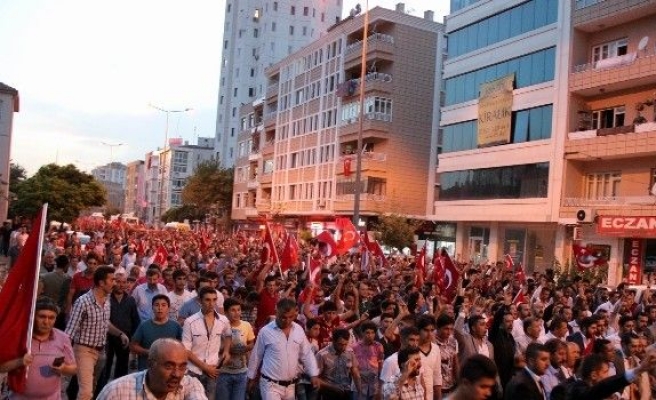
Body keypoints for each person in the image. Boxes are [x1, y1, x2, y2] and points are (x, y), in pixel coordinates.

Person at [65, 266, 129, 400]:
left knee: (92, 388)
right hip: (84, 351)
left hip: (101, 352)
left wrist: (120, 334)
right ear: (101, 283)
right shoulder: (83, 302)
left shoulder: (107, 300)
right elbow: (70, 331)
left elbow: (106, 323)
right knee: (86, 392)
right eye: (112, 280)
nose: (115, 283)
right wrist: (63, 354)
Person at [0, 299, 77, 400]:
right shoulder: (21, 337)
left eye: (51, 318)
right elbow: (2, 367)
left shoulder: (63, 338)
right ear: (33, 316)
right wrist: (20, 361)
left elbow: (74, 369)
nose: (46, 322)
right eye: (42, 316)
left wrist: (63, 368)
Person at [247, 298, 320, 400]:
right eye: (283, 317)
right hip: (270, 385)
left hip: (290, 386)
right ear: (276, 312)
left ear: (295, 313)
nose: (287, 320)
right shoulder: (265, 331)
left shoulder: (299, 330)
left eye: (291, 317)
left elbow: (306, 354)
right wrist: (251, 378)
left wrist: (313, 373)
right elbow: (256, 355)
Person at [96, 338, 207, 399]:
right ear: (150, 364)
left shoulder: (190, 385)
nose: (177, 374)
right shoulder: (116, 392)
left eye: (182, 367)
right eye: (169, 366)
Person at [182, 286, 232, 400]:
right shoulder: (190, 322)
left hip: (213, 369)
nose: (211, 303)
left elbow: (228, 335)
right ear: (200, 301)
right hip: (193, 371)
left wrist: (226, 351)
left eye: (214, 300)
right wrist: (205, 367)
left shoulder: (223, 320)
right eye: (207, 300)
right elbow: (186, 350)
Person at [96, 272, 140, 393]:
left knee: (122, 366)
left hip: (125, 338)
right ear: (114, 282)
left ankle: (119, 392)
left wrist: (134, 339)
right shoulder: (107, 299)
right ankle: (101, 391)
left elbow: (135, 320)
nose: (121, 285)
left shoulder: (130, 300)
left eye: (124, 282)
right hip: (107, 337)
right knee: (106, 365)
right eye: (118, 282)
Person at [564, 350, 656, 400]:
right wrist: (638, 370)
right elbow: (603, 387)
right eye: (605, 372)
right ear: (593, 375)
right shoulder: (579, 390)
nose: (608, 376)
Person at [130, 294, 183, 370]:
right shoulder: (144, 325)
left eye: (163, 305)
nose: (160, 308)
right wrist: (149, 352)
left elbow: (182, 347)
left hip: (169, 370)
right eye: (157, 305)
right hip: (146, 369)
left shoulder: (176, 326)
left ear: (168, 308)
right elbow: (133, 346)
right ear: (152, 307)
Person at [217, 297, 255, 400]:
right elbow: (214, 349)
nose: (237, 313)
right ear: (225, 312)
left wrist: (244, 348)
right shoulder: (220, 326)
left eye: (238, 310)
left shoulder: (246, 325)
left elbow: (251, 343)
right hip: (223, 373)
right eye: (233, 310)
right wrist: (228, 348)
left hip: (241, 373)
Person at [316, 328, 362, 400]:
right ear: (333, 341)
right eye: (340, 344)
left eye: (345, 344)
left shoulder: (349, 352)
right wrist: (333, 387)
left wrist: (360, 391)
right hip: (328, 393)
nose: (343, 347)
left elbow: (355, 372)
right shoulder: (322, 355)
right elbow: (315, 378)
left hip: (346, 392)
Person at [352, 321, 384, 400]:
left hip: (374, 385)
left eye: (373, 333)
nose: (370, 335)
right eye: (367, 333)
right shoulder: (354, 347)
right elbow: (352, 368)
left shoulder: (378, 346)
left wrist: (380, 386)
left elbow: (381, 365)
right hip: (359, 385)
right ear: (362, 333)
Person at [416, 315, 443, 400]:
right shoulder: (411, 350)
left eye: (432, 330)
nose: (429, 334)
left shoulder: (436, 348)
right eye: (426, 330)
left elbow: (437, 376)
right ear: (418, 331)